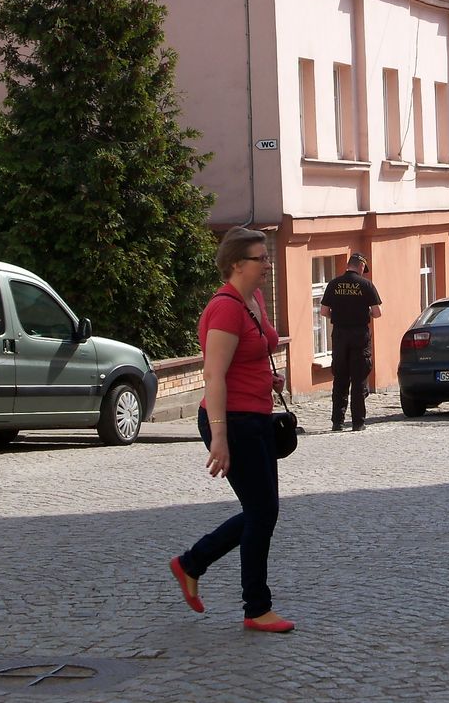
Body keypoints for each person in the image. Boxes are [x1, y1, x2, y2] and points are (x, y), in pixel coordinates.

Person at [169, 226, 294, 634]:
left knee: (262, 511)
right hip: (232, 421)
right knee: (262, 511)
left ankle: (191, 563)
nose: (268, 265)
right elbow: (213, 374)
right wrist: (219, 438)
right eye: (262, 258)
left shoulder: (254, 299)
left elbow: (254, 353)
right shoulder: (224, 308)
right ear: (237, 264)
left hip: (256, 416)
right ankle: (256, 607)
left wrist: (268, 381)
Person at [320, 251, 382, 432]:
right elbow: (377, 313)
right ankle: (358, 422)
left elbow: (324, 312)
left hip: (339, 335)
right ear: (361, 266)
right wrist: (362, 313)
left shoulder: (333, 284)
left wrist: (339, 316)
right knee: (359, 379)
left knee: (340, 378)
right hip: (359, 335)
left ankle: (337, 422)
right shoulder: (366, 285)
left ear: (348, 265)